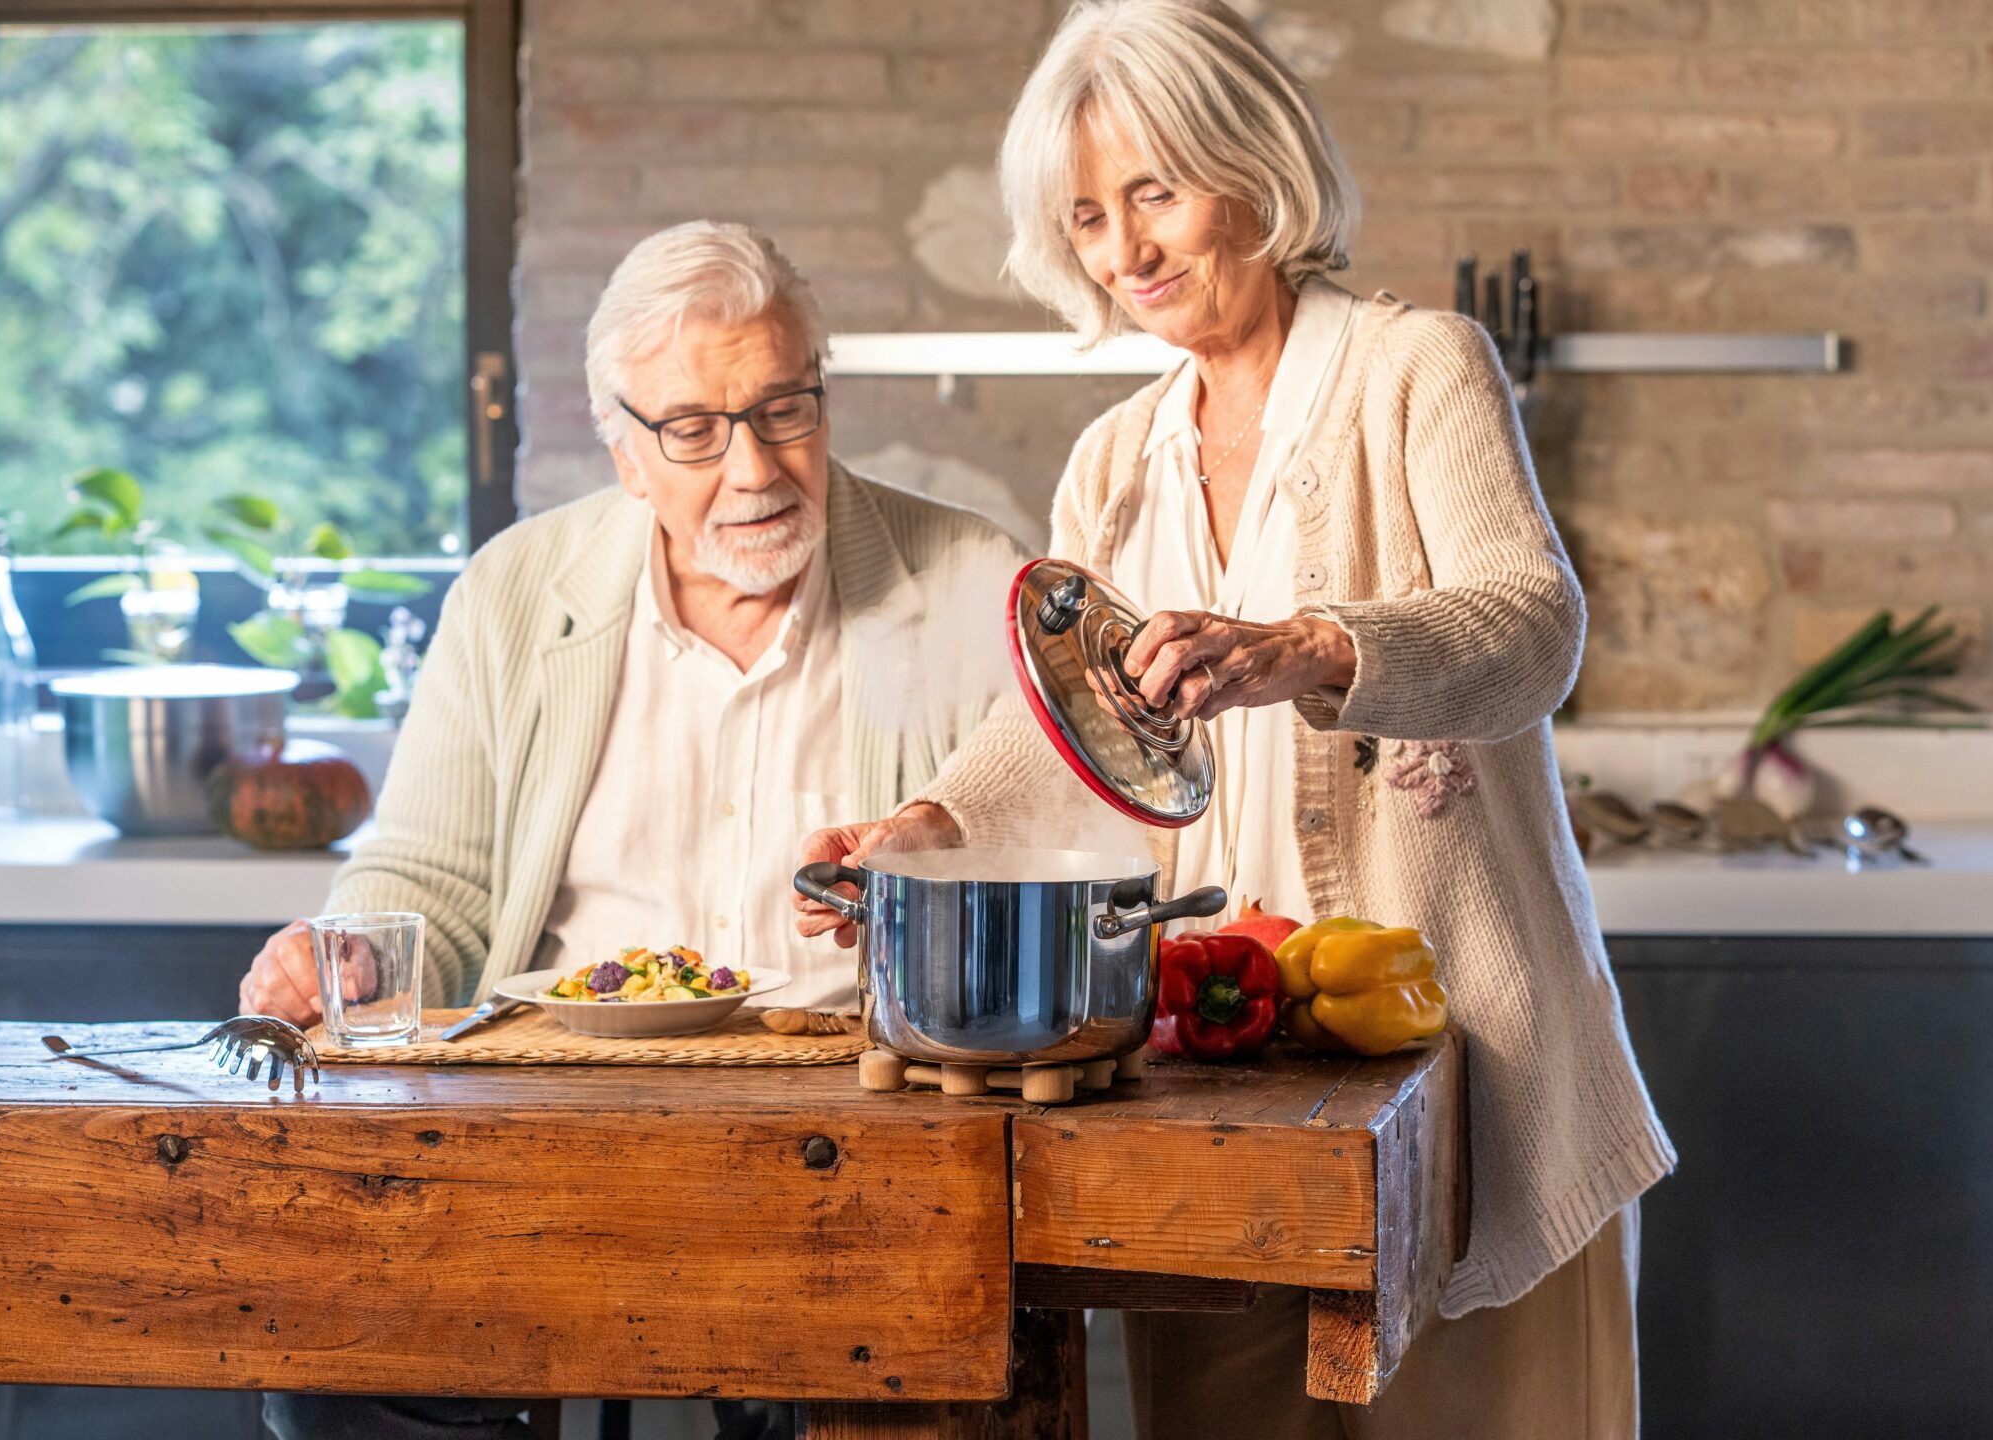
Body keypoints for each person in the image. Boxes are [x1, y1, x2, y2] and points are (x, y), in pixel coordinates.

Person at [796, 3, 1673, 1436]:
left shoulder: (1418, 370)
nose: (1123, 250)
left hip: (1463, 1076)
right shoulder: (1115, 463)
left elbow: (1532, 626)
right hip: (1217, 1088)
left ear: (1255, 172)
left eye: (1155, 192)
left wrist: (1309, 649)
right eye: (1088, 215)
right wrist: (930, 830)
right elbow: (1082, 738)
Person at [241, 219, 1017, 1440]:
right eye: (695, 431)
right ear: (625, 453)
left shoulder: (969, 578)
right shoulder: (512, 593)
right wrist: (352, 954)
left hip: (852, 1141)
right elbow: (432, 875)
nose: (754, 468)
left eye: (782, 411)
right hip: (540, 1132)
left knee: (876, 1382)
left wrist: (941, 869)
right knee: (335, 1360)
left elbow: (1047, 856)